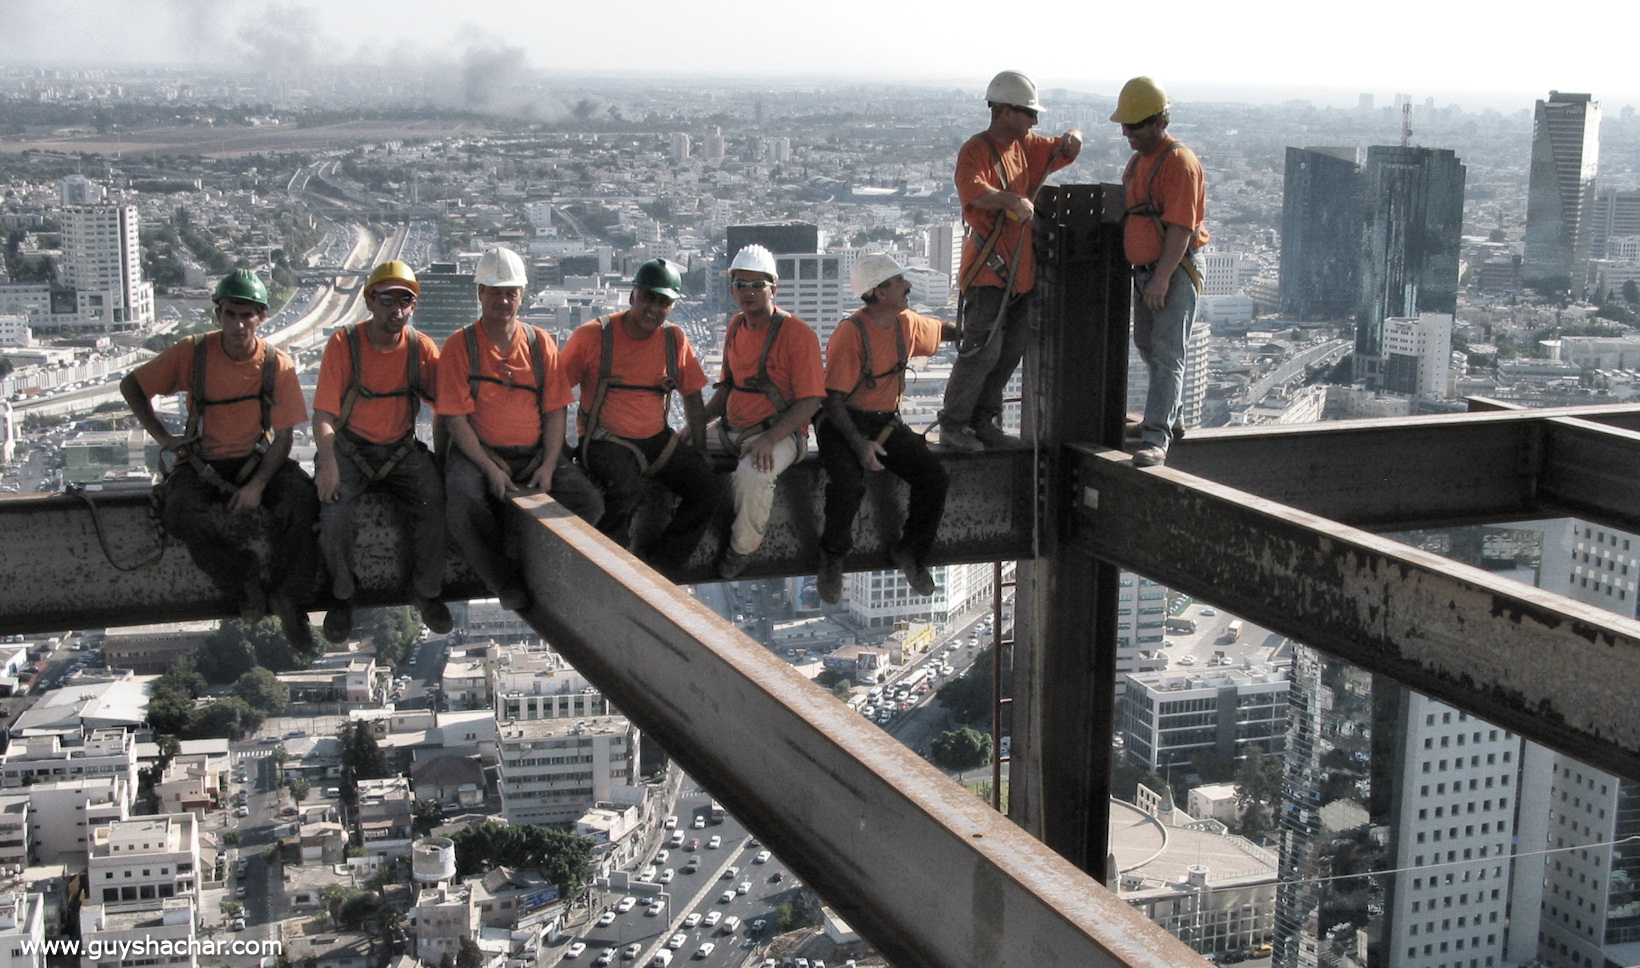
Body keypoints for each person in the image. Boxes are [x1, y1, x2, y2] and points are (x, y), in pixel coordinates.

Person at [121, 269, 319, 651]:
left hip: (256, 460)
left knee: (301, 500)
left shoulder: (277, 365)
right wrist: (165, 439)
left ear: (261, 317)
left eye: (248, 315)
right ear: (218, 315)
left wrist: (258, 485)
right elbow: (132, 386)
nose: (239, 324)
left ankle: (288, 597)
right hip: (202, 461)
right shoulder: (192, 354)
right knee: (179, 512)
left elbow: (284, 438)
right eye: (231, 314)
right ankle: (242, 578)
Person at [436, 246, 604, 612]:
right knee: (463, 503)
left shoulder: (539, 344)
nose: (503, 300)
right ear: (480, 292)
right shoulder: (459, 347)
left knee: (588, 503)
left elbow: (556, 409)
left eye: (510, 292)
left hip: (533, 453)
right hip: (480, 450)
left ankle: (526, 552)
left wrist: (548, 463)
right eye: (495, 291)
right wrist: (489, 468)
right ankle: (503, 579)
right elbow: (456, 419)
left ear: (522, 295)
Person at [937, 69, 1081, 453]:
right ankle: (953, 424)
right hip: (988, 271)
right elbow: (974, 190)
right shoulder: (977, 150)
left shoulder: (1025, 147)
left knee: (1007, 354)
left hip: (1018, 275)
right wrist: (1010, 200)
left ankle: (982, 422)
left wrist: (1075, 137)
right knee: (980, 353)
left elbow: (1065, 150)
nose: (1034, 121)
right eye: (1027, 113)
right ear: (1003, 111)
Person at [312, 260, 452, 644]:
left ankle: (426, 590)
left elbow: (447, 403)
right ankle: (342, 595)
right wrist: (328, 466)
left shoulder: (420, 349)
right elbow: (323, 414)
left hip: (399, 449)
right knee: (334, 514)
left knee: (434, 504)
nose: (397, 309)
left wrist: (445, 458)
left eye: (405, 301)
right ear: (371, 301)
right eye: (387, 299)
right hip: (349, 449)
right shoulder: (345, 345)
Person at [816, 254, 962, 605]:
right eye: (899, 281)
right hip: (841, 423)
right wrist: (860, 444)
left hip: (882, 421)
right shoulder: (850, 334)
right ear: (880, 292)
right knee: (848, 484)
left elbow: (942, 331)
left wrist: (981, 329)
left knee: (933, 478)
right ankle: (832, 557)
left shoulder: (905, 323)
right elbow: (832, 401)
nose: (908, 286)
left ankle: (911, 550)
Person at [561, 259, 722, 571]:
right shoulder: (593, 337)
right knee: (624, 490)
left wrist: (699, 449)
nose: (653, 308)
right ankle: (610, 568)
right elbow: (554, 394)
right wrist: (561, 451)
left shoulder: (673, 340)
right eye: (648, 297)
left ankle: (660, 565)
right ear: (633, 295)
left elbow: (692, 395)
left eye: (663, 302)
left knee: (707, 487)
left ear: (672, 306)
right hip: (605, 440)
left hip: (657, 439)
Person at [702, 244, 825, 580]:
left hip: (782, 433)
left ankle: (741, 548)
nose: (749, 292)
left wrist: (770, 438)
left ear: (774, 288)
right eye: (741, 285)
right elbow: (727, 387)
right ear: (732, 289)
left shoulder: (798, 334)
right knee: (679, 455)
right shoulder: (735, 328)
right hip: (735, 427)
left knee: (754, 475)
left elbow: (811, 401)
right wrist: (695, 428)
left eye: (757, 285)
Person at [1112, 75, 1208, 468]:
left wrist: (1162, 277)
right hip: (1148, 271)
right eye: (1125, 126)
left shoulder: (1179, 163)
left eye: (1134, 126)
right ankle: (1171, 418)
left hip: (1172, 270)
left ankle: (1156, 439)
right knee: (1149, 346)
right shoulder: (1139, 161)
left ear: (1158, 122)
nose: (1127, 133)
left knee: (1168, 352)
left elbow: (1182, 228)